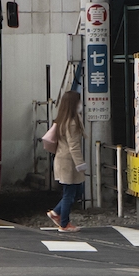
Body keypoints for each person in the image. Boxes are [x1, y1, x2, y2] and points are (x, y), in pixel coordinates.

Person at [47, 89, 87, 233]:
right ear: (74, 103)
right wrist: (80, 164)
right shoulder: (72, 122)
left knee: (75, 191)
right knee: (70, 193)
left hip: (63, 160)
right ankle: (64, 224)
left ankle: (56, 213)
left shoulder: (63, 119)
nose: (81, 104)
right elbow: (74, 146)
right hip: (69, 163)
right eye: (79, 101)